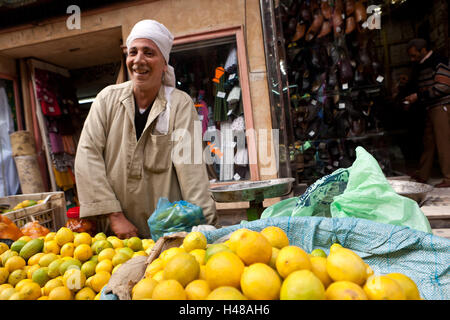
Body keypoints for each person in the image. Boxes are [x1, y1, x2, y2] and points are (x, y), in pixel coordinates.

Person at [74, 20, 218, 239]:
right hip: (114, 235)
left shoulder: (179, 104)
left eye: (149, 53)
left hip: (166, 234)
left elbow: (192, 170)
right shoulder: (107, 99)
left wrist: (207, 225)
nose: (138, 60)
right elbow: (87, 155)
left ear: (164, 64)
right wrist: (115, 216)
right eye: (133, 52)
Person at [403, 38, 450, 188]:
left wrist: (419, 96)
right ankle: (423, 174)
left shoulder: (438, 60)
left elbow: (443, 86)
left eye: (414, 55)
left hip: (441, 106)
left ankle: (449, 177)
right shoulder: (421, 65)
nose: (412, 59)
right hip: (430, 107)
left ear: (423, 50)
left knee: (443, 143)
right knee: (428, 142)